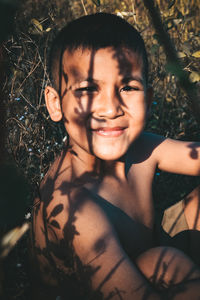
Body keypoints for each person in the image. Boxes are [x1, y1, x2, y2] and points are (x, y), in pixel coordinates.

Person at [31, 13, 200, 300]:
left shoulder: (140, 149)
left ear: (147, 98)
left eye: (127, 88)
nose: (110, 109)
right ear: (56, 103)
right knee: (167, 264)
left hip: (149, 254)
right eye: (87, 89)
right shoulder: (73, 206)